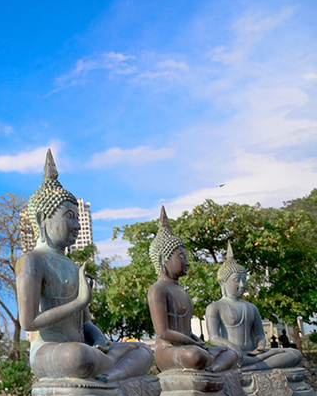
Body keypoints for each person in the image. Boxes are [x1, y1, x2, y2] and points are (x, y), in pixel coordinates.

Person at [16, 150, 152, 383]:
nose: (77, 225)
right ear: (41, 220)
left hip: (84, 347)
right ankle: (111, 368)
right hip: (51, 351)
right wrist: (80, 301)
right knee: (78, 356)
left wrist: (99, 339)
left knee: (143, 350)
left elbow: (85, 322)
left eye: (78, 217)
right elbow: (28, 322)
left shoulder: (70, 264)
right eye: (69, 216)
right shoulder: (32, 261)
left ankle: (108, 376)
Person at [147, 207, 237, 373]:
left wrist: (198, 341)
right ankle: (208, 365)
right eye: (181, 257)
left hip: (189, 346)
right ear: (163, 259)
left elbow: (186, 330)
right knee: (196, 356)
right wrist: (194, 344)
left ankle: (212, 371)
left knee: (230, 353)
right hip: (168, 350)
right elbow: (164, 333)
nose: (187, 262)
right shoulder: (157, 290)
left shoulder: (182, 291)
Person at [205, 243, 302, 371]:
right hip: (231, 355)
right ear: (223, 282)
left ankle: (252, 367)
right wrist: (232, 346)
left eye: (244, 280)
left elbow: (260, 335)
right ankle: (255, 366)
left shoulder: (251, 307)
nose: (242, 284)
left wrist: (260, 346)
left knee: (294, 354)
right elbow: (214, 337)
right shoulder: (215, 307)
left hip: (254, 354)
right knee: (225, 358)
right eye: (237, 280)